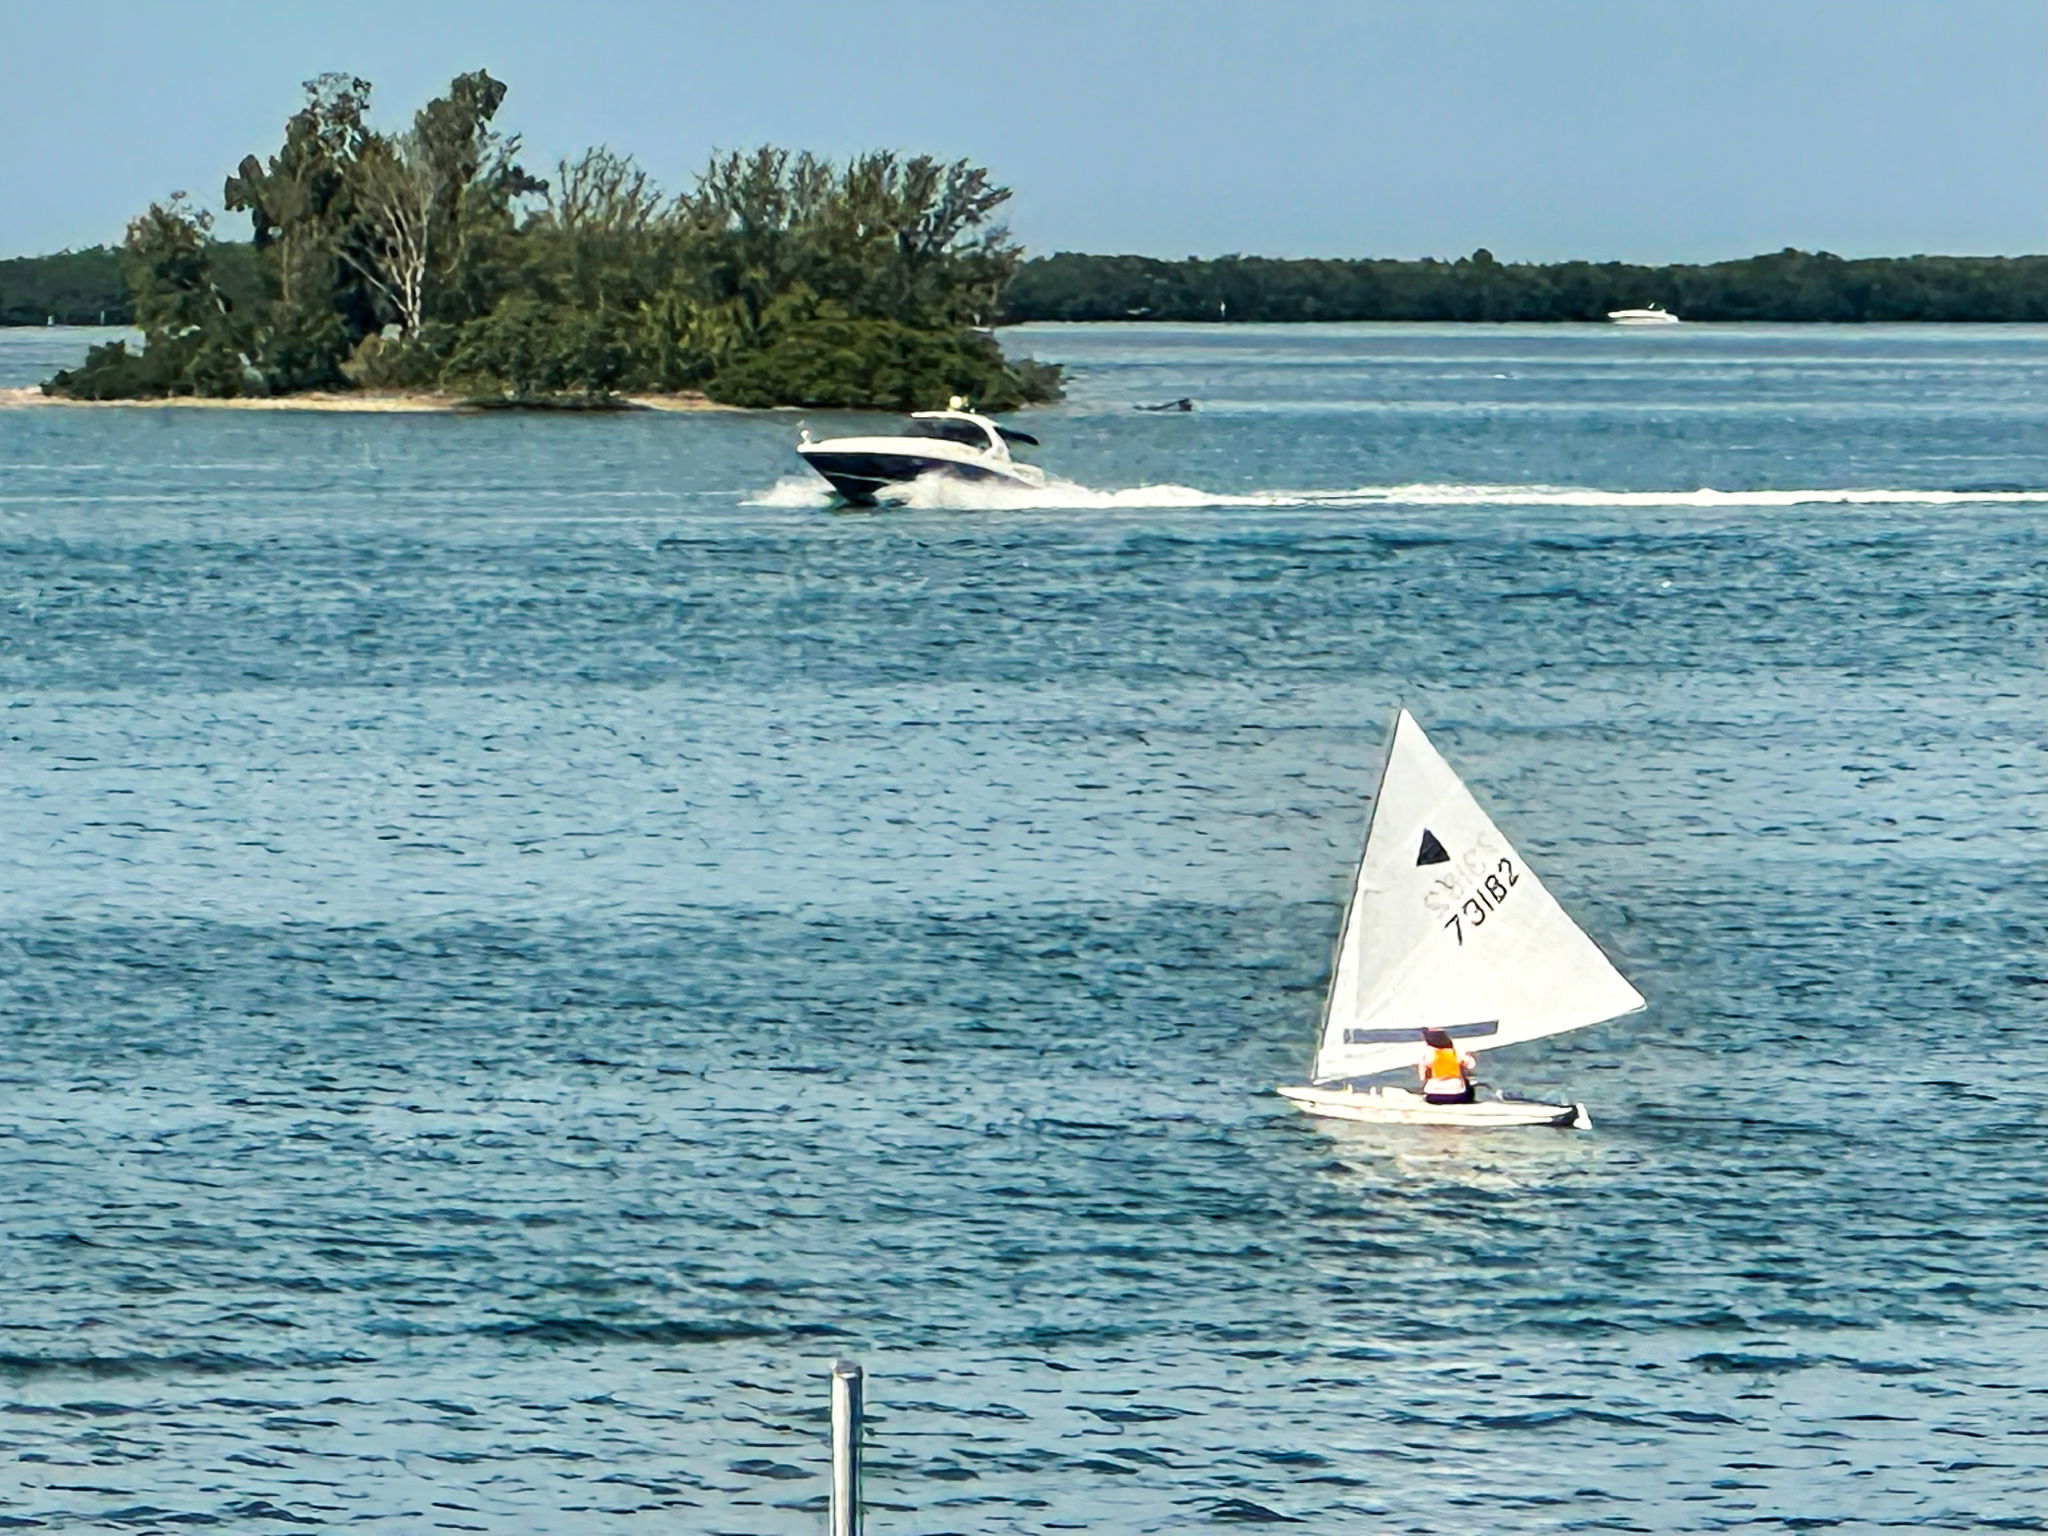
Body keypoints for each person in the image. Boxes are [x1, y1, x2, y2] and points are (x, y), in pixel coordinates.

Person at [1416, 1027, 1478, 1104]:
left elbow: (1423, 1078)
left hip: (1434, 1096)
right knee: (1468, 1084)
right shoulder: (1457, 1053)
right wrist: (1468, 1055)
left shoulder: (1427, 1055)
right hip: (1457, 1095)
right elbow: (1471, 1065)